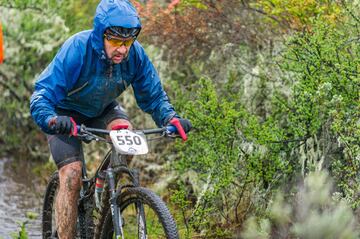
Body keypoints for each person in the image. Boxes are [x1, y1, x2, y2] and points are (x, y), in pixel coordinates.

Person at [29, 0, 191, 238]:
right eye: (116, 41)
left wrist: (170, 118)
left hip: (103, 109)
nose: (123, 49)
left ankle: (105, 199)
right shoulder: (77, 48)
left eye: (127, 42)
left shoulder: (135, 55)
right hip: (64, 113)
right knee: (72, 174)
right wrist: (51, 119)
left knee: (128, 136)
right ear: (100, 34)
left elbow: (154, 95)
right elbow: (42, 94)